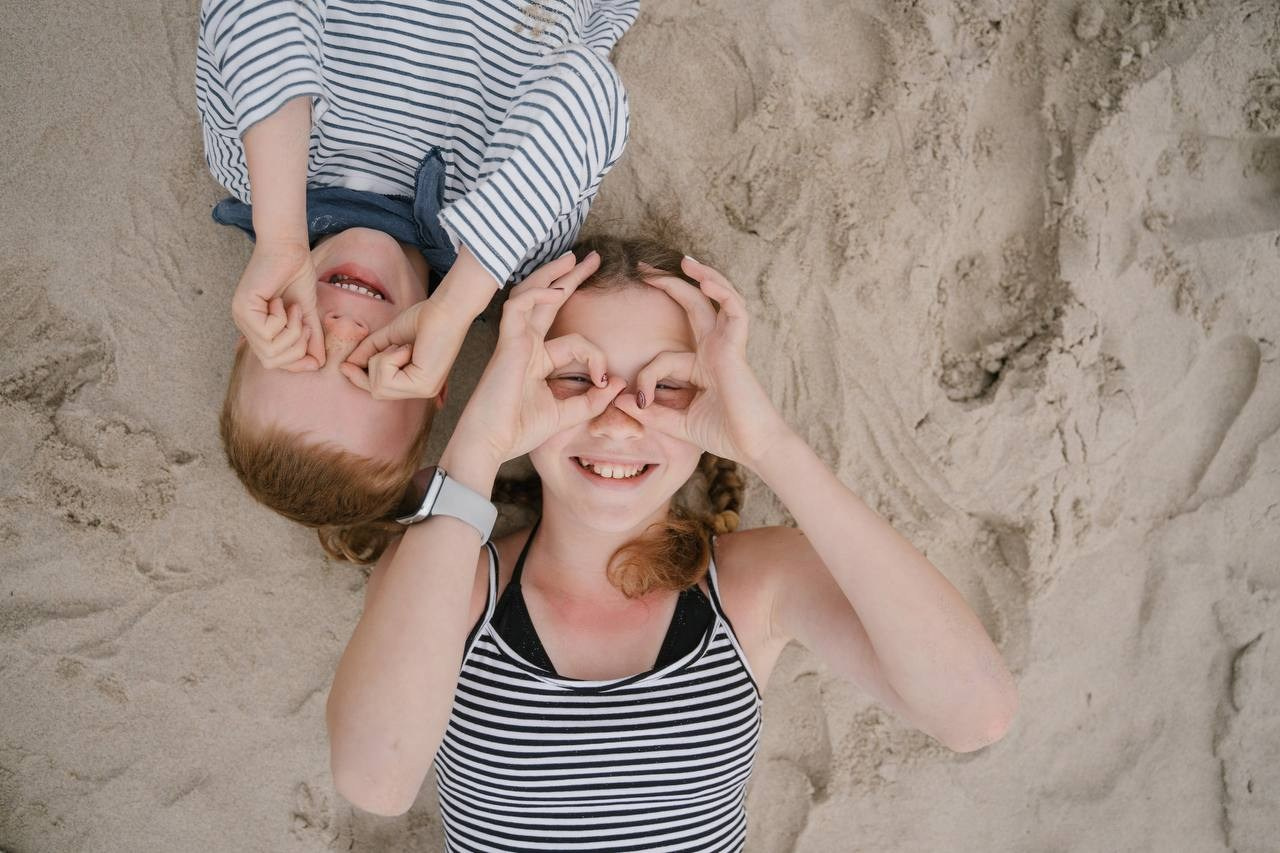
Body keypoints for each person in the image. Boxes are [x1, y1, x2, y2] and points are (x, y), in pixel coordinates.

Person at [325, 236, 1020, 850]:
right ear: (519, 387)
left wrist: (768, 444)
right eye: (576, 377)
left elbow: (975, 713)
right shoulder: (449, 577)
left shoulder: (754, 584)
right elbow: (375, 778)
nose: (619, 422)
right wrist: (481, 440)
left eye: (666, 386)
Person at [196, 0, 636, 558]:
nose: (343, 331)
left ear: (248, 334)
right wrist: (458, 301)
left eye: (302, 345)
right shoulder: (511, 250)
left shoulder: (251, 163)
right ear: (434, 379)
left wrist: (280, 233)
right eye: (366, 368)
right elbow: (592, 92)